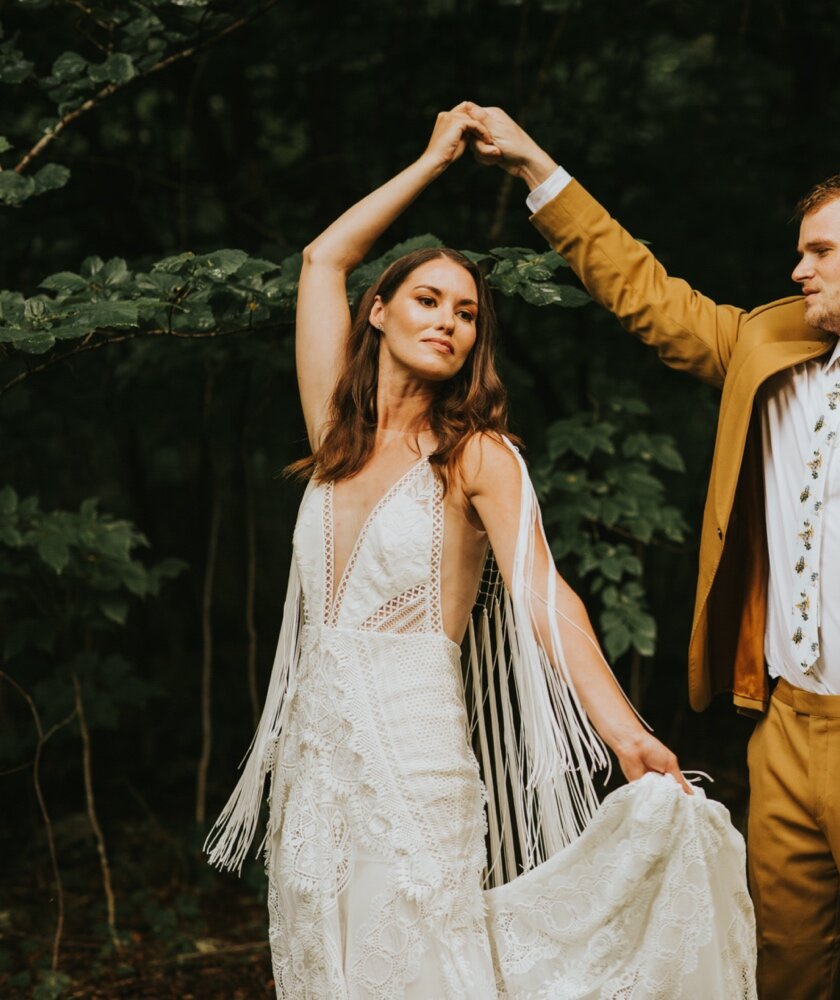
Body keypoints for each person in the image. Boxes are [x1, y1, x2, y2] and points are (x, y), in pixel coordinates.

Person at [468, 105, 840, 999]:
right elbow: (643, 292)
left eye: (820, 250)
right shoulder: (766, 353)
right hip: (783, 733)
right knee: (775, 973)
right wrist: (535, 170)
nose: (799, 268)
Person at [203, 103, 756, 999]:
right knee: (321, 965)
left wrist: (624, 732)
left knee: (420, 968)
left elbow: (548, 597)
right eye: (426, 300)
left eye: (466, 313)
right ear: (377, 312)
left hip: (416, 753)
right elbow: (322, 259)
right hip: (315, 759)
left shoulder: (477, 457)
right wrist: (431, 162)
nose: (448, 322)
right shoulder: (331, 434)